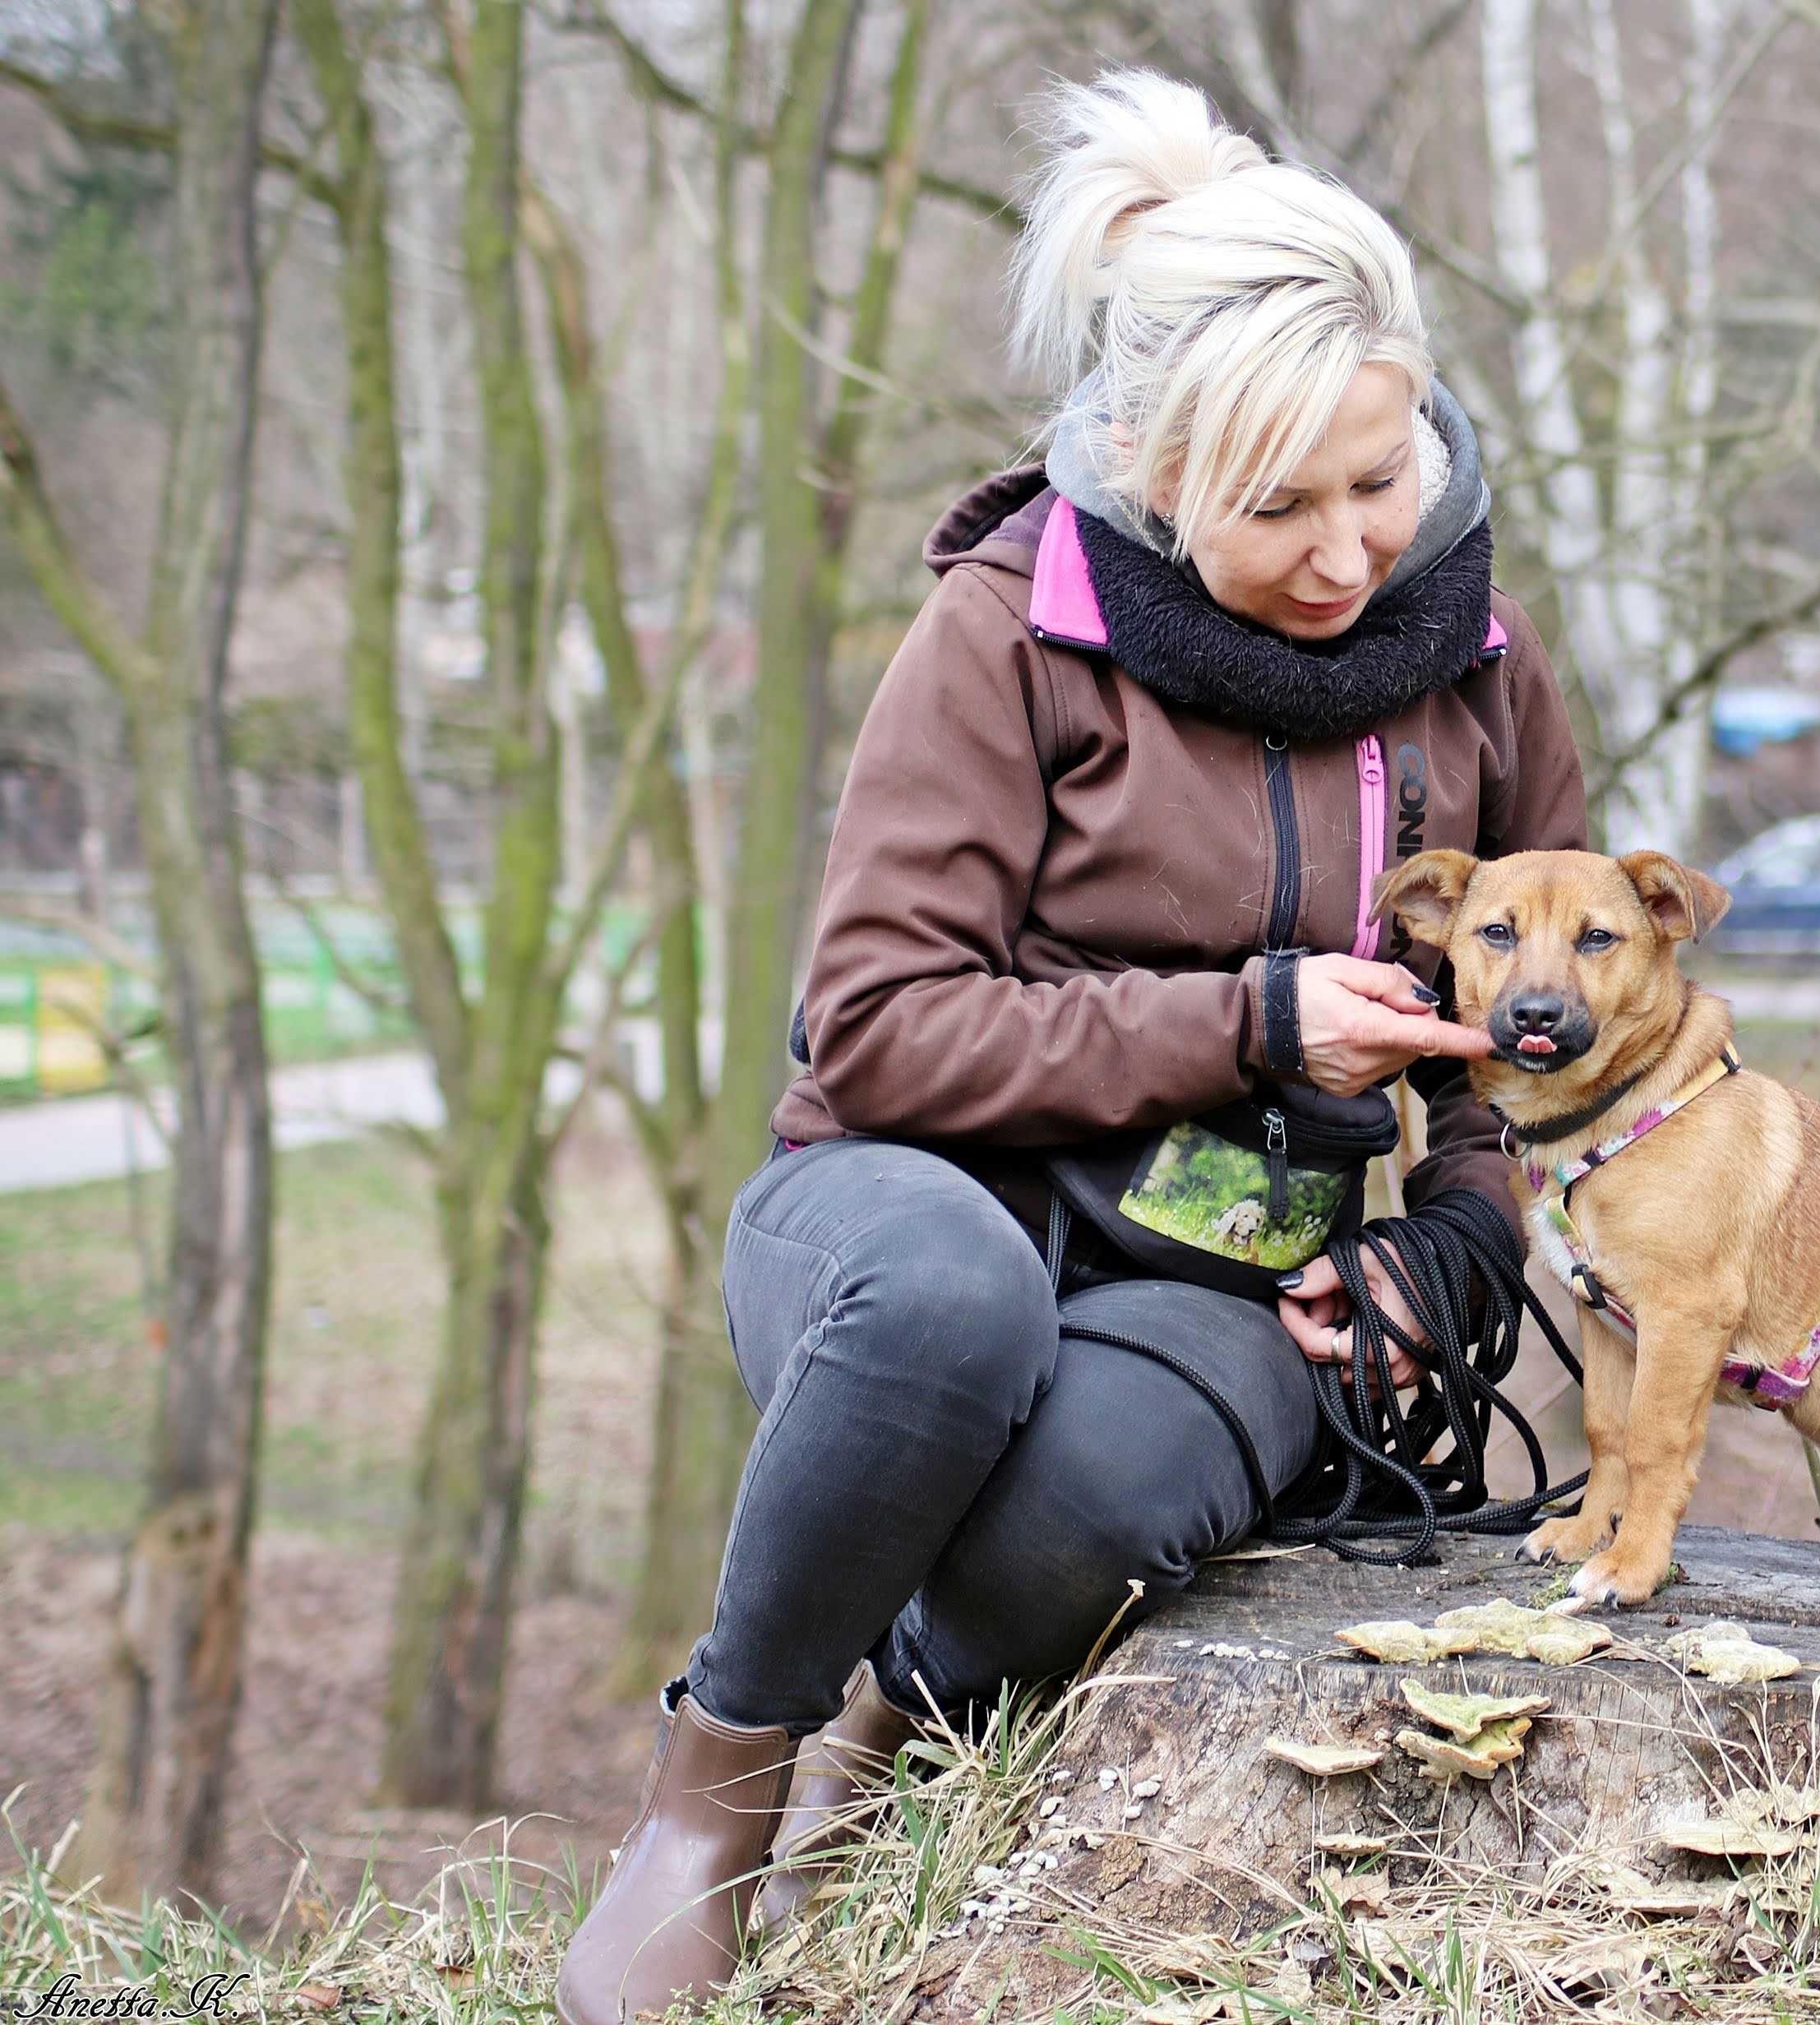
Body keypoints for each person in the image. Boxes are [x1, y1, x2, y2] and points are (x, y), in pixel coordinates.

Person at [555, 68, 1588, 2024]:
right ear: (1145, 465)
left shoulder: (1488, 667)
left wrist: (1444, 1252)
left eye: (1380, 477)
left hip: (1225, 1266)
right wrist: (1247, 1015)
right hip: (907, 1199)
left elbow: (1523, 1054)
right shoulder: (1005, 628)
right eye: (1275, 504)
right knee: (950, 1308)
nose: (1345, 551)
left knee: (1095, 1503)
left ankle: (913, 1723)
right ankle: (721, 1794)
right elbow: (875, 1025)